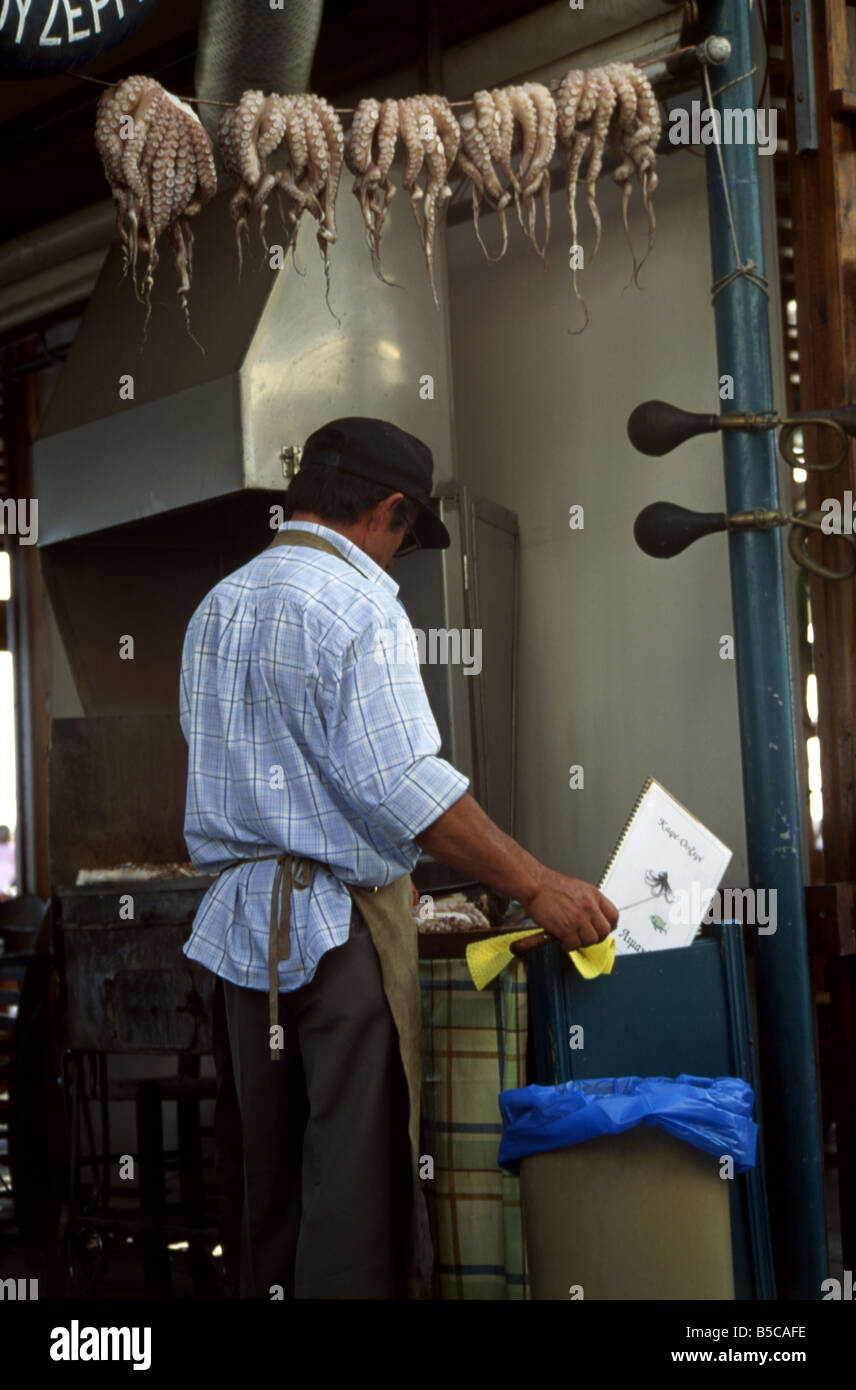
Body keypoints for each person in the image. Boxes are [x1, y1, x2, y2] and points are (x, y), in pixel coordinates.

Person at [179, 416, 617, 1301]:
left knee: (262, 1187)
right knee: (353, 1185)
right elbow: (403, 783)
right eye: (406, 536)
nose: (397, 556)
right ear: (386, 511)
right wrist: (537, 884)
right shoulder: (360, 602)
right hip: (338, 930)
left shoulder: (217, 605)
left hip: (235, 936)